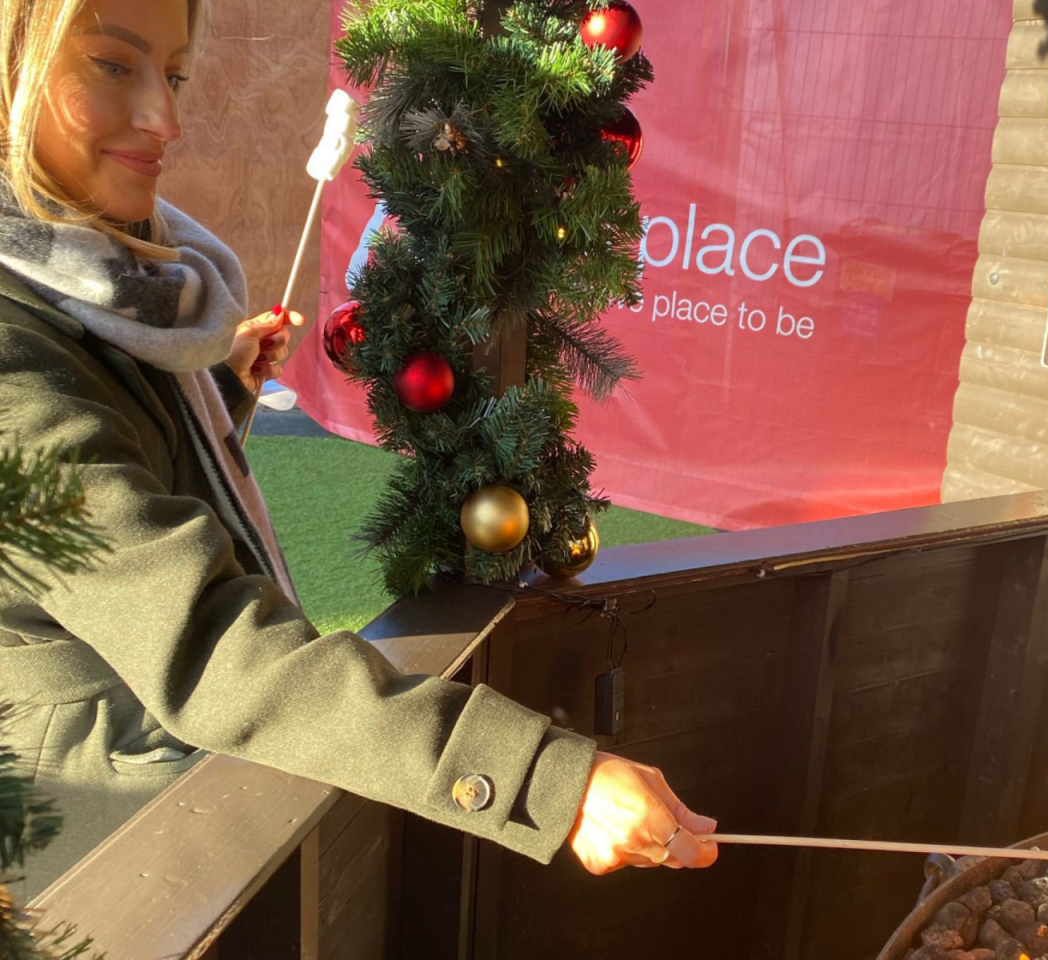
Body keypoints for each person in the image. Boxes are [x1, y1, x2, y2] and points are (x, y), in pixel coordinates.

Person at [0, 0, 718, 899]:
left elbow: (107, 478)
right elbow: (208, 646)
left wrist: (214, 387)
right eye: (113, 65)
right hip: (110, 864)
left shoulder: (94, 280)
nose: (165, 119)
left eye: (175, 76)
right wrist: (551, 784)